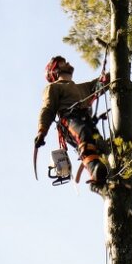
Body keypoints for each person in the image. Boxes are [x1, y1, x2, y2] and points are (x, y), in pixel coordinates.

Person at [34, 55, 110, 188]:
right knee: (84, 134)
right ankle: (94, 170)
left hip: (86, 120)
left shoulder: (82, 88)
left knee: (102, 147)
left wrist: (121, 65)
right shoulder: (53, 88)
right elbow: (48, 108)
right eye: (63, 63)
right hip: (69, 120)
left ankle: (118, 182)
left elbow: (100, 83)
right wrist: (42, 130)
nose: (68, 63)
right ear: (55, 71)